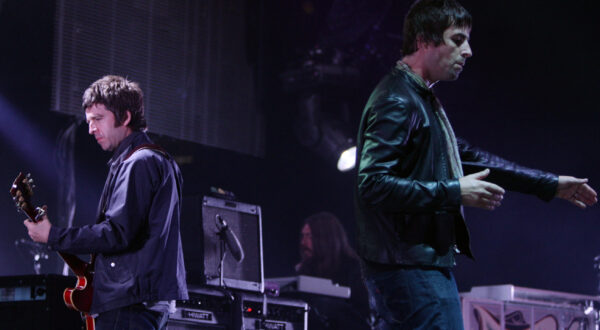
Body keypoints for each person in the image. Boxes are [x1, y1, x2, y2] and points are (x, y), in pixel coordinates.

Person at [353, 0, 598, 329]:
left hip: (418, 266)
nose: (467, 51)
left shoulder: (418, 98)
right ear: (424, 40)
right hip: (410, 268)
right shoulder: (396, 99)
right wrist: (454, 191)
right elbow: (373, 185)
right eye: (457, 40)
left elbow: (471, 158)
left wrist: (548, 183)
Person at [24, 75, 188, 329]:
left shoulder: (139, 163)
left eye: (98, 119)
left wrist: (53, 235)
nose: (91, 129)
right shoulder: (155, 159)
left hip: (129, 302)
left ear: (125, 117)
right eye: (89, 121)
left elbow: (116, 234)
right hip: (142, 299)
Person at [295, 212, 370, 329]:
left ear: (326, 238)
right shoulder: (306, 269)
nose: (303, 242)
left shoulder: (354, 269)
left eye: (309, 236)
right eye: (303, 236)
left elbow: (362, 315)